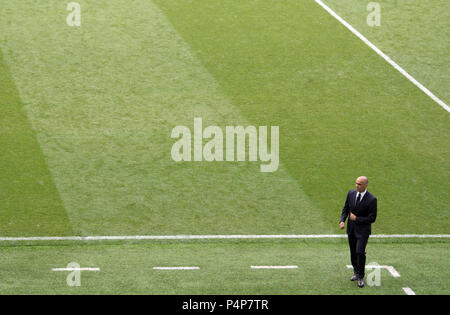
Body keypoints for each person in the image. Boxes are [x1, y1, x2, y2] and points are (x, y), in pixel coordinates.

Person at [339, 176, 377, 288]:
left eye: (359, 184)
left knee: (360, 252)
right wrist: (342, 220)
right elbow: (345, 209)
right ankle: (356, 272)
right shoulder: (351, 194)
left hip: (363, 231)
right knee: (353, 252)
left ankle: (361, 276)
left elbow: (372, 218)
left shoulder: (372, 199)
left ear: (365, 185)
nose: (357, 185)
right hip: (351, 229)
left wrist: (357, 219)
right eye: (356, 183)